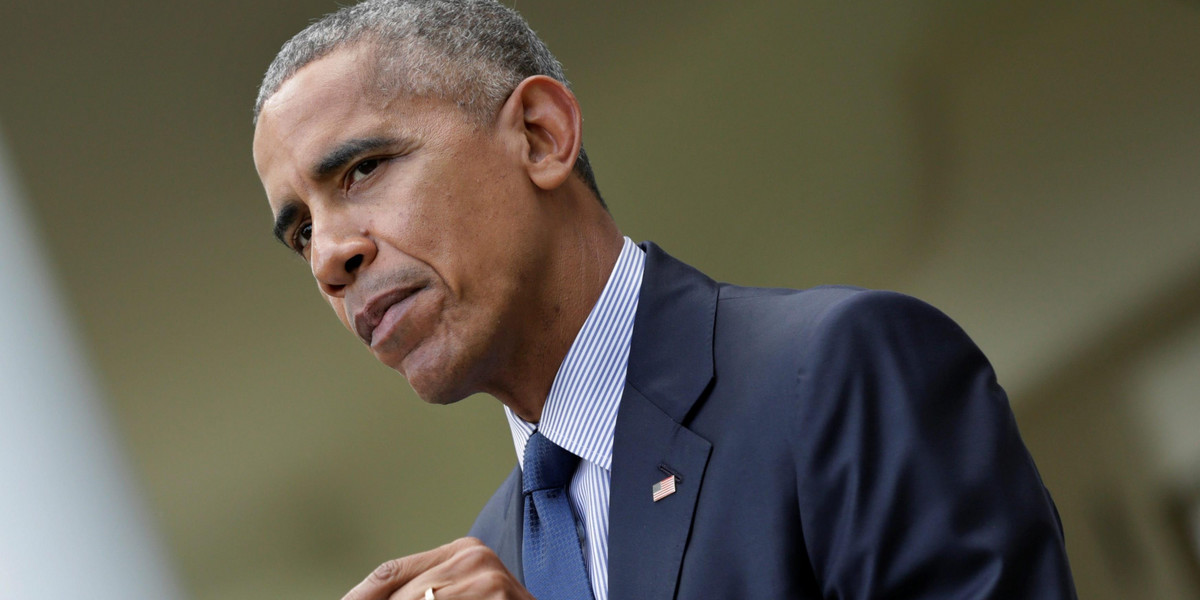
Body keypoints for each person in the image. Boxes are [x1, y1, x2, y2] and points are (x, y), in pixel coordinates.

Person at [251, 1, 1078, 598]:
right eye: (298, 234)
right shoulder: (490, 555)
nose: (330, 256)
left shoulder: (838, 374)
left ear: (540, 135)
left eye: (362, 170)